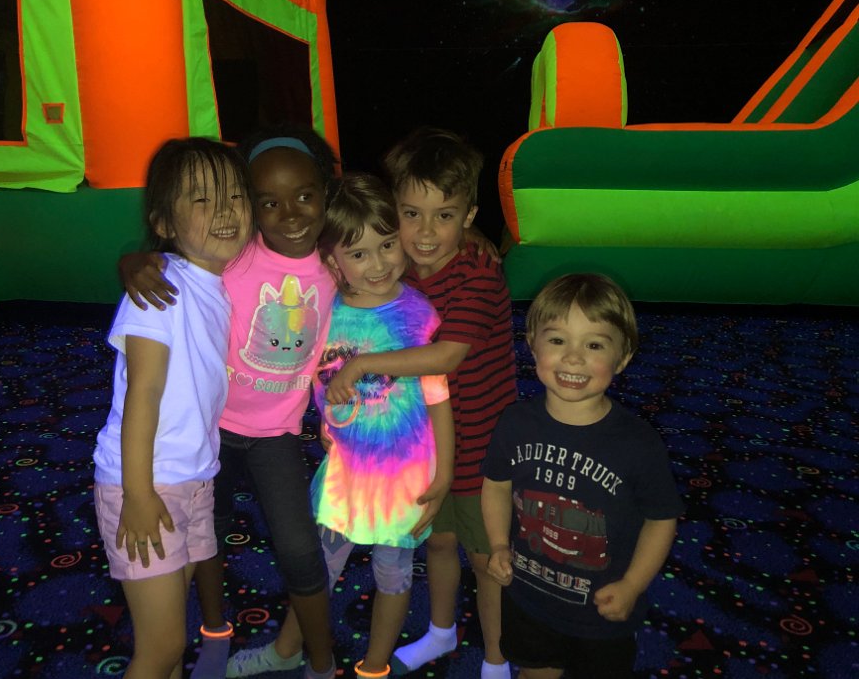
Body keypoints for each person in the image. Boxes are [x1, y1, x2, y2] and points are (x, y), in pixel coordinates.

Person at [118, 125, 340, 679]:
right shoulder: (235, 257)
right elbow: (177, 254)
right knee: (206, 538)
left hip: (275, 433)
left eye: (304, 196)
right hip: (210, 432)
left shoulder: (338, 264)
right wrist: (136, 261)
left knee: (298, 546)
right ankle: (214, 630)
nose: (289, 214)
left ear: (325, 194)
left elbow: (392, 249)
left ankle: (321, 659)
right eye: (267, 202)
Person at [228, 171, 457, 678]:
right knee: (317, 567)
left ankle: (374, 667)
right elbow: (311, 373)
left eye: (387, 244)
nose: (379, 263)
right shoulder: (325, 310)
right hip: (344, 472)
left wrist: (443, 474)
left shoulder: (416, 314)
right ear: (334, 261)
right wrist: (323, 422)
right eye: (359, 253)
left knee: (393, 573)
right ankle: (287, 649)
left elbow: (438, 396)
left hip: (405, 474)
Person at [326, 127, 517, 679]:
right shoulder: (400, 267)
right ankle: (440, 631)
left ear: (469, 215)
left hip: (482, 442)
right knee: (438, 542)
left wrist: (361, 366)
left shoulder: (478, 273)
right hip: (426, 439)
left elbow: (446, 355)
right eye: (411, 215)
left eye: (445, 216)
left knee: (485, 556)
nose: (426, 232)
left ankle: (498, 659)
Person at [92, 137, 252, 679]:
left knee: (170, 641)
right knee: (159, 649)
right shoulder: (161, 291)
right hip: (147, 483)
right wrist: (138, 494)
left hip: (191, 476)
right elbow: (143, 394)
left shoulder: (215, 285)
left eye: (234, 196)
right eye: (202, 199)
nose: (225, 211)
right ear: (163, 222)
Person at [481, 273, 685, 679]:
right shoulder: (514, 423)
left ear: (622, 358)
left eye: (594, 345)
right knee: (534, 670)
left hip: (600, 611)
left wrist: (633, 585)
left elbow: (661, 519)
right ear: (532, 344)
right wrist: (499, 543)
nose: (573, 358)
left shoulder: (638, 444)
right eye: (558, 340)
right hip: (529, 597)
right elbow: (497, 486)